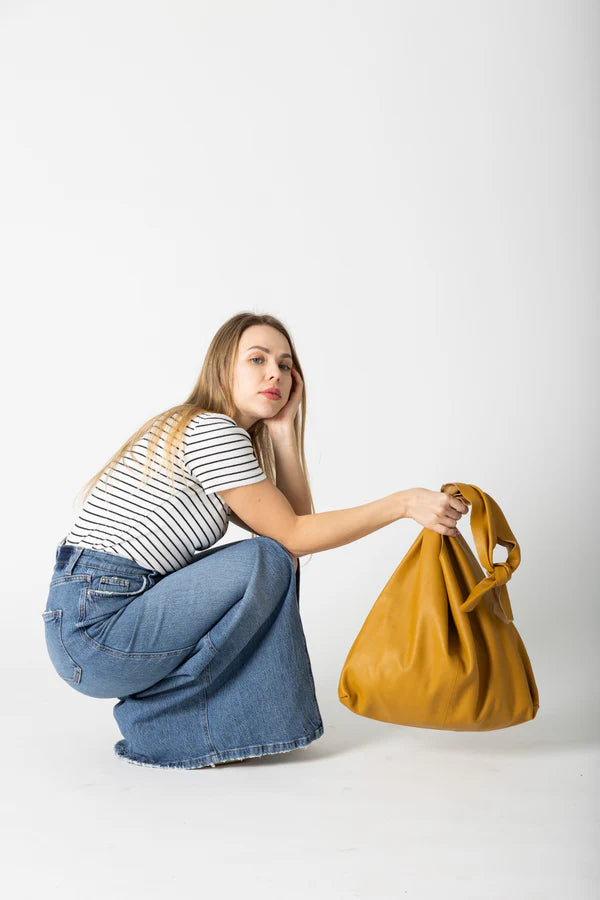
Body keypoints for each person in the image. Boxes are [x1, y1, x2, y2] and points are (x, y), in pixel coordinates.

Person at [42, 311, 469, 770]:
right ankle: (175, 724)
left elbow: (296, 529)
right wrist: (403, 504)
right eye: (257, 359)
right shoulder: (211, 431)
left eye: (285, 365)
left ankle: (177, 722)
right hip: (98, 628)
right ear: (223, 368)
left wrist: (283, 431)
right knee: (267, 557)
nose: (275, 374)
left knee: (273, 557)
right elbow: (295, 538)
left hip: (92, 624)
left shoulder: (209, 432)